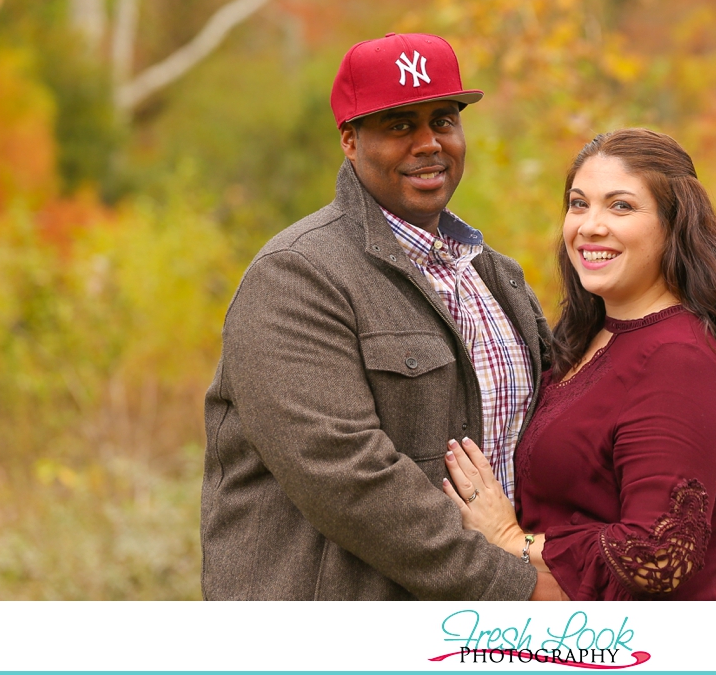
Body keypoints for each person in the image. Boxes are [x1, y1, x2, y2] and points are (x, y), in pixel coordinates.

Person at [201, 30, 566, 602]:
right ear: (349, 140)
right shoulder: (297, 277)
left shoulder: (496, 276)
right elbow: (348, 478)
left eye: (443, 121)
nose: (429, 144)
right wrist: (514, 588)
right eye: (400, 126)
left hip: (482, 628)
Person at [440, 129, 716, 600]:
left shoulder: (679, 359)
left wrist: (512, 540)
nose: (590, 225)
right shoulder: (588, 337)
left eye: (621, 206)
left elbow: (660, 553)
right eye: (579, 203)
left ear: (674, 224)